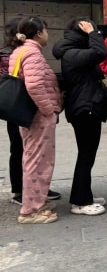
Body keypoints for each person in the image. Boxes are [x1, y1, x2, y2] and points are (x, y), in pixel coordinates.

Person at [1, 18, 61, 207]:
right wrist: (48, 110)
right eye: (45, 30)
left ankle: (33, 201)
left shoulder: (19, 51)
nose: (47, 34)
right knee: (37, 160)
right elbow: (34, 85)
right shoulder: (32, 53)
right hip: (34, 113)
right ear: (38, 33)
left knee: (31, 157)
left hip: (26, 111)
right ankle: (32, 207)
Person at [52, 18, 107, 216]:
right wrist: (93, 33)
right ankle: (80, 201)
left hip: (84, 107)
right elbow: (101, 53)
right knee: (86, 155)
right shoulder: (73, 54)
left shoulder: (73, 51)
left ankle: (85, 194)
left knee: (87, 154)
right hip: (84, 109)